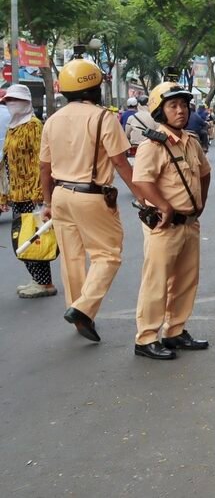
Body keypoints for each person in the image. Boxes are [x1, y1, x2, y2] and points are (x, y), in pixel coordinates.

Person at [41, 57, 142, 343]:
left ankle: (80, 315)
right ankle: (83, 309)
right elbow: (121, 165)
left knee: (72, 258)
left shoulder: (52, 120)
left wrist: (47, 203)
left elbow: (44, 168)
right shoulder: (103, 117)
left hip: (60, 195)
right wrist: (144, 198)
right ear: (94, 89)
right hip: (91, 195)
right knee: (107, 255)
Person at [131, 82, 212, 360]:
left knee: (186, 281)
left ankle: (175, 331)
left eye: (184, 105)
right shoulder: (152, 145)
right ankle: (146, 338)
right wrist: (163, 205)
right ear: (159, 111)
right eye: (173, 106)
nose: (181, 111)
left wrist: (200, 203)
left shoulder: (191, 140)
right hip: (165, 226)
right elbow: (141, 181)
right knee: (157, 282)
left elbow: (204, 172)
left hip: (189, 222)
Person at [3, 85, 56, 299]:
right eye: (7, 101)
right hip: (17, 193)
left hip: (32, 194)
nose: (10, 104)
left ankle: (45, 284)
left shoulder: (34, 127)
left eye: (15, 100)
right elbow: (7, 161)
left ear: (26, 102)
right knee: (23, 239)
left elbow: (42, 161)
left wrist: (42, 195)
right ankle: (38, 280)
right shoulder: (12, 127)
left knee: (33, 238)